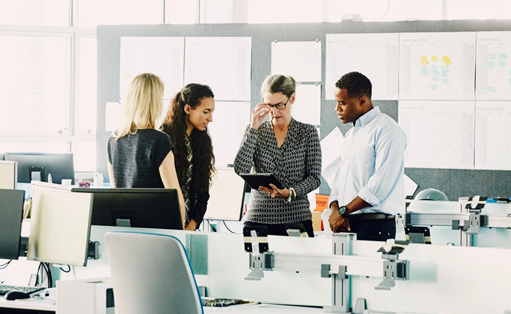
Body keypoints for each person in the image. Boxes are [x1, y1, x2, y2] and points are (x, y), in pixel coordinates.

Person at [234, 75, 321, 237]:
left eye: (280, 105)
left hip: (296, 217)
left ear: (292, 99)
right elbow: (241, 168)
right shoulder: (255, 131)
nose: (274, 112)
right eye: (269, 105)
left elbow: (315, 177)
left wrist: (290, 192)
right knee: (255, 262)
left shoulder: (308, 133)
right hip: (258, 217)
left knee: (299, 263)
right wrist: (254, 127)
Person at [327, 71, 407, 241]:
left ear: (362, 100)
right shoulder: (350, 136)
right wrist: (336, 212)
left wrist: (343, 211)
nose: (337, 109)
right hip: (346, 223)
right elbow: (338, 183)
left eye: (342, 103)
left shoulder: (387, 130)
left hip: (375, 225)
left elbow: (379, 186)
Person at [107, 73, 185, 227]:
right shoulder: (159, 140)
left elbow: (114, 191)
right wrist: (182, 232)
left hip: (125, 229)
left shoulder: (114, 139)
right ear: (154, 102)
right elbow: (175, 197)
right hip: (155, 229)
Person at [161, 83, 216, 231]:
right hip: (165, 224)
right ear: (187, 109)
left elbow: (203, 192)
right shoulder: (164, 137)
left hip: (189, 226)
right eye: (206, 112)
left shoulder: (202, 141)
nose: (210, 118)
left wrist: (192, 224)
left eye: (212, 112)